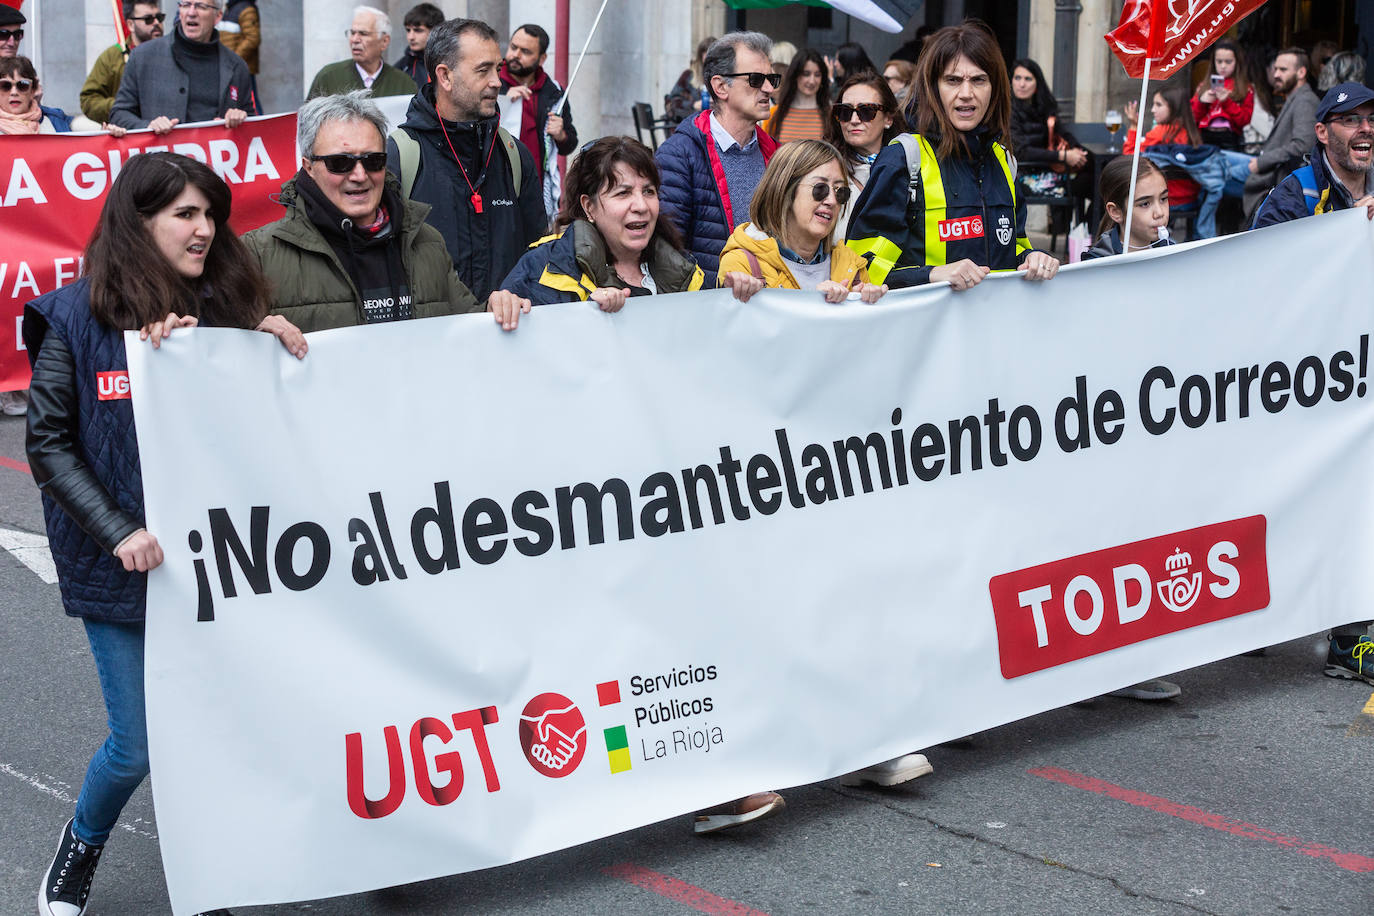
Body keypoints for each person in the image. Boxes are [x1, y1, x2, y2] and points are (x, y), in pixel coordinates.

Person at [27, 151, 305, 916]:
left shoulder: (225, 307)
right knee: (138, 745)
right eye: (185, 213)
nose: (205, 229)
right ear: (138, 222)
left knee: (217, 728)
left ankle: (212, 868)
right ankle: (80, 844)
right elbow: (49, 443)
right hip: (118, 566)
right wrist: (119, 531)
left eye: (211, 214)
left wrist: (261, 348)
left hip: (217, 567)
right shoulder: (73, 316)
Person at [243, 91, 497, 332]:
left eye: (373, 161)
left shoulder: (427, 242)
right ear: (308, 167)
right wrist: (252, 335)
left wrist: (497, 312)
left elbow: (468, 329)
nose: (360, 175)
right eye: (340, 163)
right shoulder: (260, 254)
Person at [846, 23, 1059, 290]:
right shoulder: (903, 159)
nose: (966, 93)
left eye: (979, 80)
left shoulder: (1004, 160)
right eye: (953, 80)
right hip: (927, 328)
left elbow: (1012, 245)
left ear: (994, 88)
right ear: (933, 88)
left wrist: (1032, 258)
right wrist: (933, 275)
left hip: (997, 327)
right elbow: (861, 269)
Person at [497, 136, 749, 320]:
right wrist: (588, 318)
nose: (640, 205)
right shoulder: (543, 268)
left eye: (649, 191)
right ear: (589, 207)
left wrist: (731, 299)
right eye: (623, 193)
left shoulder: (686, 272)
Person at [386, 18, 545, 302]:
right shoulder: (400, 156)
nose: (497, 82)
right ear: (445, 76)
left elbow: (538, 255)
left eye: (498, 69)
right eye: (483, 71)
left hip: (507, 337)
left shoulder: (514, 155)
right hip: (429, 339)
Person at [656, 31, 780, 278]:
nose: (768, 88)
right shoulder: (679, 155)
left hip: (768, 304)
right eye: (756, 79)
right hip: (706, 304)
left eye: (771, 79)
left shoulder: (777, 154)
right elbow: (666, 251)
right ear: (721, 87)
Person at [718, 138, 886, 301]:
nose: (832, 201)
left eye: (840, 192)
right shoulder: (743, 265)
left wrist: (867, 306)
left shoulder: (854, 268)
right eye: (820, 188)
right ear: (784, 190)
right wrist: (814, 303)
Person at [110, 0, 253, 134]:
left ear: (217, 16)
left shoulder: (236, 67)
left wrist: (241, 119)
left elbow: (253, 126)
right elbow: (119, 114)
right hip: (160, 158)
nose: (191, 12)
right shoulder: (142, 57)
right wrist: (148, 126)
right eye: (185, 5)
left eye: (201, 6)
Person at [1253, 82, 1374, 226]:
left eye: (1372, 119)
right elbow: (1262, 248)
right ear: (1323, 133)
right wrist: (1351, 226)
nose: (1367, 129)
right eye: (1351, 120)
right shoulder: (1294, 194)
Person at [499, 22, 578, 221]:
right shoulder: (491, 80)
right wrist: (503, 100)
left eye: (525, 51)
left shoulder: (554, 91)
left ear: (542, 58)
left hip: (537, 187)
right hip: (499, 184)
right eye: (513, 47)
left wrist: (561, 134)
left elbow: (570, 144)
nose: (515, 55)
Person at [1010, 57, 1091, 228]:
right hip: (1024, 175)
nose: (1021, 84)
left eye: (1027, 79)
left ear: (1037, 82)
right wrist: (1063, 156)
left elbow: (1063, 132)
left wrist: (1077, 150)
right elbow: (1021, 152)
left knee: (1094, 175)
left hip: (1048, 169)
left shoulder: (1044, 105)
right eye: (1017, 78)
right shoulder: (1008, 109)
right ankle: (1085, 233)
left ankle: (1087, 232)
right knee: (1088, 183)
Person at [824, 73, 904, 241]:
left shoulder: (911, 167)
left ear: (888, 118)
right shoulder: (822, 167)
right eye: (845, 112)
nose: (854, 120)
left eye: (866, 111)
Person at [1243, 47, 1319, 220]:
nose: (1276, 74)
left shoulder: (1305, 100)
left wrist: (1262, 161)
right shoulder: (1294, 97)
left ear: (1301, 72)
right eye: (1275, 69)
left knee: (1215, 167)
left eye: (1283, 70)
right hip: (1267, 164)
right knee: (1216, 161)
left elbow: (1303, 145)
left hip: (1272, 173)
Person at [80, 1, 165, 123]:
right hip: (129, 135)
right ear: (130, 24)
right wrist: (124, 106)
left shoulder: (174, 52)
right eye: (148, 19)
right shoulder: (111, 58)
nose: (156, 23)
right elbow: (88, 100)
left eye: (159, 17)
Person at [307, 6, 415, 99]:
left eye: (363, 33)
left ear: (384, 41)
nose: (355, 39)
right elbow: (307, 121)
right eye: (352, 33)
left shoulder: (404, 84)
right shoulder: (328, 77)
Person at [1122, 84, 1202, 211]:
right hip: (1190, 198)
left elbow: (1130, 156)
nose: (1153, 110)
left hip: (1165, 199)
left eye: (1158, 105)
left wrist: (1133, 126)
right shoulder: (1191, 133)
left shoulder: (1160, 132)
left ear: (1174, 107)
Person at [1081, 156, 1176, 259]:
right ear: (1116, 212)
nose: (1159, 213)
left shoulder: (1173, 253)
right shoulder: (1097, 263)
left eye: (1163, 199)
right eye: (1145, 204)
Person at [1, 56, 109, 134]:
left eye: (22, 85)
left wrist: (105, 132)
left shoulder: (55, 121)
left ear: (33, 90)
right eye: (5, 85)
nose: (14, 92)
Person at [1191, 40, 1254, 151]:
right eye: (1219, 61)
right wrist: (1202, 102)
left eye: (1228, 62)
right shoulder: (1203, 86)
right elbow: (1192, 118)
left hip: (1230, 138)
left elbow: (1245, 120)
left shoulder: (1245, 88)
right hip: (1205, 136)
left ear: (1237, 62)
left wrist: (1227, 102)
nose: (1223, 66)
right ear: (1213, 62)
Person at [765, 48, 829, 143]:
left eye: (817, 75)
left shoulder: (831, 115)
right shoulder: (774, 114)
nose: (812, 81)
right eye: (806, 74)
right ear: (795, 76)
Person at [664, 35, 715, 125]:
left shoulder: (724, 77)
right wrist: (693, 105)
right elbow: (671, 103)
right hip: (690, 126)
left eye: (714, 54)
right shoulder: (689, 76)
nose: (711, 59)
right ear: (701, 55)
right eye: (707, 54)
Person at [395, 2, 443, 89]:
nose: (411, 37)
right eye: (408, 30)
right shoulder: (403, 66)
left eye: (418, 30)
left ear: (435, 31)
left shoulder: (449, 61)